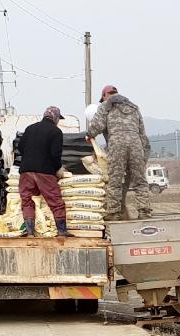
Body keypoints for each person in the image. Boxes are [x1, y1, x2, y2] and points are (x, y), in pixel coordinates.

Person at [87, 86, 152, 220]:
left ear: (105, 95)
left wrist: (89, 135)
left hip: (117, 144)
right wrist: (143, 153)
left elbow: (97, 126)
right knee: (139, 180)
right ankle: (144, 211)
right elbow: (142, 133)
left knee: (115, 180)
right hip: (136, 144)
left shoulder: (105, 106)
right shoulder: (134, 107)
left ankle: (114, 213)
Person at [17, 106, 72, 237]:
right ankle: (62, 231)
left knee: (27, 200)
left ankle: (30, 232)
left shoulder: (30, 128)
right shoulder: (56, 131)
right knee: (55, 200)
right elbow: (55, 154)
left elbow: (20, 147)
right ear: (56, 118)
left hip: (26, 170)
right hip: (44, 171)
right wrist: (57, 169)